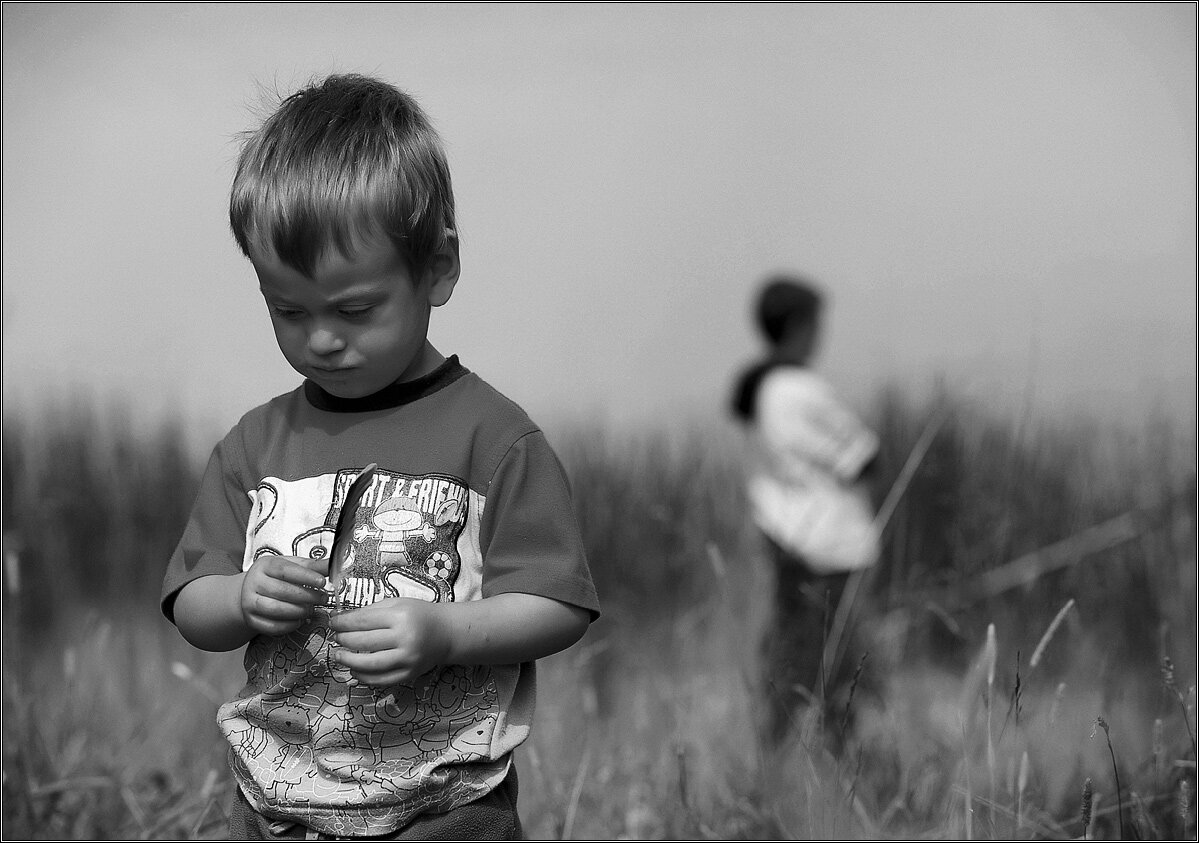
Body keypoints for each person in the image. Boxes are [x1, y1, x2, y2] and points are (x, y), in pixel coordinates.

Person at [161, 73, 600, 840]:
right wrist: (238, 599)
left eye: (355, 308)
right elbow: (191, 599)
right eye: (287, 309)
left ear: (436, 266)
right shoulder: (254, 445)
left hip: (445, 804)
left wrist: (446, 633)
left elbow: (558, 604)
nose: (321, 338)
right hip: (273, 803)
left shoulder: (493, 440)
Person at [731, 274, 880, 748]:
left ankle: (780, 772)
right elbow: (864, 459)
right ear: (798, 325)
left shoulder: (762, 390)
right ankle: (829, 772)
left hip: (790, 546)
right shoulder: (798, 390)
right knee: (835, 669)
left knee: (794, 659)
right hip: (825, 551)